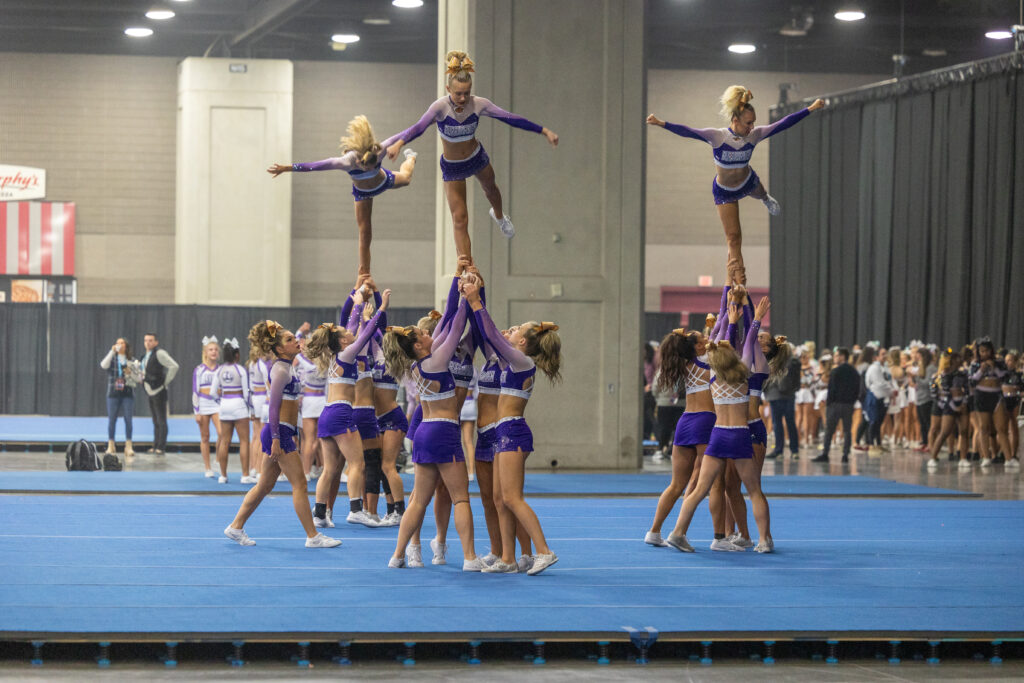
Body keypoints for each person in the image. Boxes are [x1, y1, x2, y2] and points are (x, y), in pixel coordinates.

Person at [385, 50, 559, 258]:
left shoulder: (479, 104)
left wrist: (544, 131)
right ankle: (466, 264)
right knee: (460, 218)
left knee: (491, 189)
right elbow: (418, 127)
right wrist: (399, 144)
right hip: (453, 166)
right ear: (448, 89)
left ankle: (499, 217)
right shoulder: (439, 108)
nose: (463, 98)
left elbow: (510, 118)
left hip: (476, 157)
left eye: (467, 93)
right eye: (458, 93)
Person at [646, 88, 824, 283]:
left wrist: (811, 109)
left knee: (761, 193)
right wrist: (661, 123)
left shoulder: (754, 135)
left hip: (747, 182)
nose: (752, 127)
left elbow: (783, 124)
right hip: (725, 192)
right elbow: (688, 131)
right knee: (733, 238)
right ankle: (739, 283)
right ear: (735, 120)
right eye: (748, 123)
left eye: (754, 122)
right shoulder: (718, 137)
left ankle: (766, 199)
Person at [461, 269, 562, 575]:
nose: (512, 330)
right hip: (505, 430)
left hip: (513, 431)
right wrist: (476, 292)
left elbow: (492, 335)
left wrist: (476, 301)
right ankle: (508, 557)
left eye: (518, 329)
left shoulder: (522, 361)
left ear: (523, 341)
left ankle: (544, 551)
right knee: (501, 498)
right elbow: (488, 335)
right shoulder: (512, 361)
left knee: (513, 498)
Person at [382, 281, 484, 571]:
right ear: (418, 345)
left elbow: (447, 318)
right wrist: (469, 297)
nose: (429, 333)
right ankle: (469, 557)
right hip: (443, 430)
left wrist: (457, 281)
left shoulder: (418, 364)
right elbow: (456, 324)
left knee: (418, 501)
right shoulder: (437, 360)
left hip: (424, 430)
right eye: (424, 334)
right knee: (460, 498)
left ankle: (397, 555)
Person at [663, 298, 772, 554]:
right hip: (740, 436)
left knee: (700, 489)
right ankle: (764, 540)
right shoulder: (744, 373)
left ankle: (677, 532)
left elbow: (718, 340)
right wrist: (755, 318)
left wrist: (729, 320)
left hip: (718, 435)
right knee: (754, 491)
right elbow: (748, 342)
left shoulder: (711, 374)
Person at [224, 321, 341, 548]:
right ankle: (313, 536)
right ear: (279, 349)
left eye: (293, 338)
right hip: (277, 432)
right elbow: (273, 408)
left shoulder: (288, 366)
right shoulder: (280, 370)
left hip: (283, 431)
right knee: (300, 484)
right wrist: (277, 439)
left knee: (264, 486)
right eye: (289, 340)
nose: (295, 341)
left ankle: (235, 527)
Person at [266, 115, 417, 275]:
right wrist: (287, 168)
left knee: (406, 178)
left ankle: (411, 157)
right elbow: (314, 166)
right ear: (359, 161)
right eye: (366, 167)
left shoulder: (380, 150)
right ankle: (364, 273)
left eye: (373, 166)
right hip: (363, 194)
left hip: (383, 182)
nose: (368, 169)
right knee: (365, 232)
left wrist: (429, 119)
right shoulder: (346, 161)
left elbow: (411, 130)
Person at [209, 338, 252, 484]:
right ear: (237, 355)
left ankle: (223, 475)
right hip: (239, 405)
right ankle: (245, 475)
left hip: (225, 405)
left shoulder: (219, 370)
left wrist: (221, 402)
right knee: (244, 441)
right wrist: (250, 408)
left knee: (224, 442)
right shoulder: (240, 370)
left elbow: (212, 392)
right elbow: (246, 393)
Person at [814, 348, 859, 463]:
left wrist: (829, 403)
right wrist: (852, 401)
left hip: (835, 404)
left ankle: (825, 453)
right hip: (848, 405)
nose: (835, 358)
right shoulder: (854, 371)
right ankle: (845, 455)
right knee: (847, 430)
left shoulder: (835, 371)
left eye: (837, 355)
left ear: (842, 356)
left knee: (829, 430)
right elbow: (857, 389)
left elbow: (832, 389)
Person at [140, 333, 179, 456]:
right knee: (155, 420)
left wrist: (165, 382)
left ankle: (161, 447)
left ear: (156, 342)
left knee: (161, 420)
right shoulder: (145, 356)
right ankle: (155, 445)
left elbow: (174, 366)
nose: (148, 343)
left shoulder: (159, 353)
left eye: (150, 340)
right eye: (146, 340)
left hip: (159, 391)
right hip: (150, 391)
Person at [100, 338, 138, 458]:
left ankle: (128, 445)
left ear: (126, 346)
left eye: (122, 343)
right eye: (117, 343)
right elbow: (103, 365)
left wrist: (130, 372)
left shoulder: (132, 360)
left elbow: (138, 378)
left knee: (128, 420)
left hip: (128, 393)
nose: (119, 345)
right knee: (112, 420)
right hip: (113, 393)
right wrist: (112, 351)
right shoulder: (112, 358)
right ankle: (111, 445)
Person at [762, 335, 800, 459]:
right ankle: (786, 450)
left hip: (783, 395)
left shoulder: (790, 361)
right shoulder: (778, 360)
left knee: (783, 423)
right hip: (779, 395)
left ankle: (784, 451)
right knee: (782, 423)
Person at [192, 336, 222, 477]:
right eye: (210, 349)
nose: (213, 352)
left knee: (222, 433)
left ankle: (218, 458)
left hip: (217, 404)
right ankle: (208, 468)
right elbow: (195, 391)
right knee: (205, 437)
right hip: (203, 404)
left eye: (215, 349)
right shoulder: (199, 370)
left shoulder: (221, 369)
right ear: (205, 352)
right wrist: (196, 411)